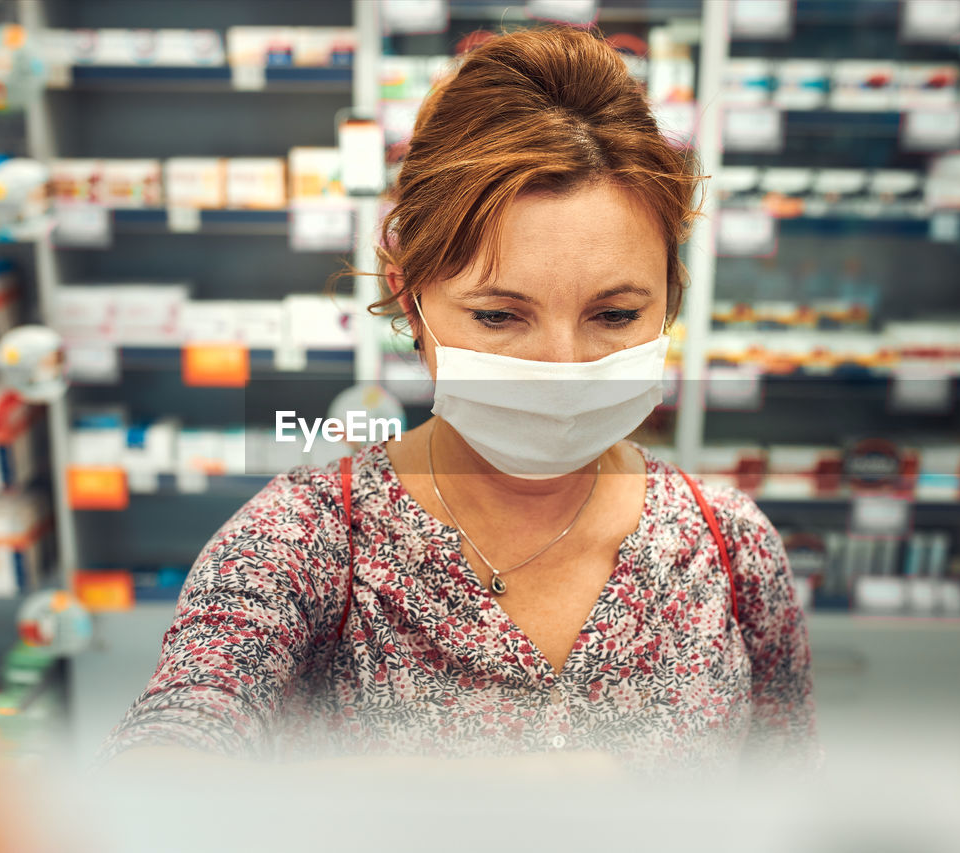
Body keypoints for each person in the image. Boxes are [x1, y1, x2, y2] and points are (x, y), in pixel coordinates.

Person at [99, 26, 820, 778]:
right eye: (500, 315)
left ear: (669, 300)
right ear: (409, 298)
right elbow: (189, 718)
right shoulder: (306, 543)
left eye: (613, 315)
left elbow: (790, 797)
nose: (562, 367)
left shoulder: (731, 547)